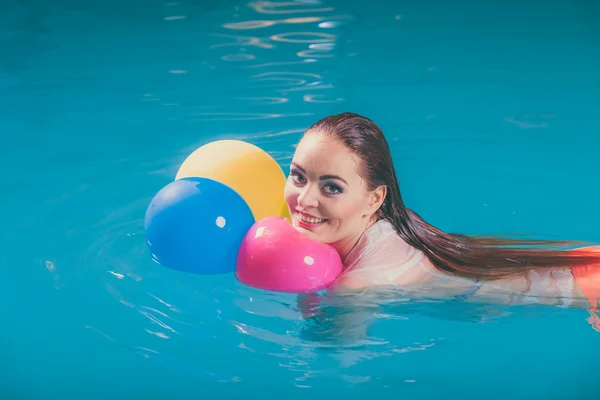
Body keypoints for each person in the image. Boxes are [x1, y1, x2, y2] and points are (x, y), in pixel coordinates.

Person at [284, 112, 600, 331]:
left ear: (374, 199)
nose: (304, 200)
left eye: (332, 188)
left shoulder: (358, 286)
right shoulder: (394, 220)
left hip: (584, 293)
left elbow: (334, 360)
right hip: (583, 262)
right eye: (298, 177)